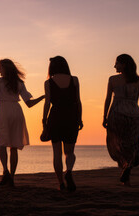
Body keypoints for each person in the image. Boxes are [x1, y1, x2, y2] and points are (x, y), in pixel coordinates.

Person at [0, 59, 44, 187]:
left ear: (5, 69)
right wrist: (43, 97)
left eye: (0, 67)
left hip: (4, 111)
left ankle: (5, 171)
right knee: (14, 146)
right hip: (16, 111)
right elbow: (29, 103)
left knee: (1, 143)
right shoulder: (19, 83)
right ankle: (12, 176)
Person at [42, 56, 83, 192]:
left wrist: (44, 120)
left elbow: (47, 103)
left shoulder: (48, 83)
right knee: (70, 152)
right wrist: (80, 118)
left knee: (57, 153)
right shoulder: (74, 80)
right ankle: (69, 171)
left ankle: (60, 183)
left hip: (56, 116)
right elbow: (78, 101)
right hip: (71, 116)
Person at [103, 54, 139, 186]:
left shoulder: (113, 79)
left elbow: (108, 99)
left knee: (118, 144)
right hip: (134, 115)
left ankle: (125, 171)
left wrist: (104, 116)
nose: (114, 66)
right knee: (132, 144)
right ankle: (128, 170)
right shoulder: (138, 80)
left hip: (117, 113)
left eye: (117, 63)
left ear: (124, 64)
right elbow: (135, 100)